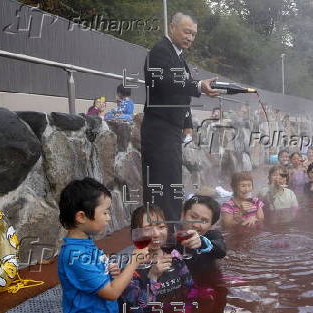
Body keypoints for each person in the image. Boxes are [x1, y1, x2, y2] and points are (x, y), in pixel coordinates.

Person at [141, 12, 220, 223]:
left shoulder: (178, 56)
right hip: (159, 130)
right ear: (171, 27)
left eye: (193, 34)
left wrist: (187, 124)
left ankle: (169, 233)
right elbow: (165, 82)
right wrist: (198, 86)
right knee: (161, 186)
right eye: (187, 31)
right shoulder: (159, 52)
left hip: (172, 130)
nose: (190, 38)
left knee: (171, 184)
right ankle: (161, 238)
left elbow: (181, 94)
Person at [57, 178, 146, 313]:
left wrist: (108, 271)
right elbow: (111, 293)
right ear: (81, 217)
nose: (108, 217)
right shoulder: (75, 255)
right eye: (105, 212)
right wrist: (134, 262)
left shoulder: (85, 243)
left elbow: (97, 272)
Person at [120, 204, 198, 312]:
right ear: (135, 234)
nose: (156, 234)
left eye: (161, 227)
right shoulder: (129, 269)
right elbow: (137, 309)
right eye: (148, 228)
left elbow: (191, 290)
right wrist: (153, 276)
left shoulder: (175, 256)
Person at [180, 195, 227, 313]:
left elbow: (221, 250)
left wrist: (202, 242)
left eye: (204, 221)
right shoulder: (171, 238)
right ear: (182, 215)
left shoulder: (212, 236)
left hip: (208, 283)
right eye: (193, 216)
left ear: (211, 225)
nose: (196, 224)